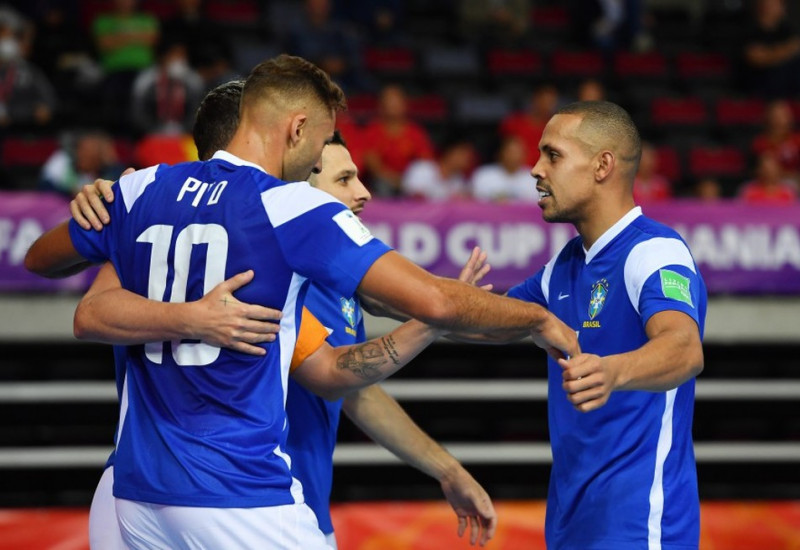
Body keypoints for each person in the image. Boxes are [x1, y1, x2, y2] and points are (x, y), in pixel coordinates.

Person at [24, 54, 579, 549]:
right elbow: (433, 301)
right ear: (297, 129)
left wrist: (95, 203)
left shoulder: (142, 189)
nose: (318, 162)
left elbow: (39, 260)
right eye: (323, 147)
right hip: (236, 493)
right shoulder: (292, 209)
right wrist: (538, 318)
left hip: (133, 497)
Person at [73, 119, 497, 548]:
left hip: (224, 500)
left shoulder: (331, 284)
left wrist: (446, 469)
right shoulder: (273, 279)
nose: (364, 192)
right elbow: (333, 373)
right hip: (243, 504)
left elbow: (359, 392)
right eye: (345, 179)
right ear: (301, 188)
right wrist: (448, 318)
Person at [453, 100, 707, 548]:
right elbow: (492, 323)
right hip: (572, 521)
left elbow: (685, 349)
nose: (535, 169)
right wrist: (450, 304)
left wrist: (613, 371)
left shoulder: (655, 251)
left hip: (638, 524)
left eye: (553, 155)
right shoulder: (564, 265)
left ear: (602, 166)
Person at [361, 83, 435, 197]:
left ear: (405, 104)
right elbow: (373, 165)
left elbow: (425, 163)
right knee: (382, 186)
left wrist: (408, 182)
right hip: (382, 183)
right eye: (389, 100)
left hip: (409, 182)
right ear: (381, 105)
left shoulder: (415, 132)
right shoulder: (373, 131)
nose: (393, 104)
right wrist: (394, 180)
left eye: (396, 100)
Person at [740, 0, 800, 99]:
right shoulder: (748, 31)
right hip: (759, 91)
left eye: (774, 5)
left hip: (791, 91)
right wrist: (789, 48)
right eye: (767, 5)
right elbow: (757, 58)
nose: (769, 8)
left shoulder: (788, 31)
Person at [401, 133, 476, 201]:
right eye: (463, 153)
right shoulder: (422, 169)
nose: (468, 158)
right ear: (449, 153)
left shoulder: (459, 180)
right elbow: (415, 199)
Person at [471, 134, 537, 203]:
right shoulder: (483, 175)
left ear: (525, 154)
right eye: (510, 151)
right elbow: (475, 203)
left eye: (517, 152)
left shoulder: (533, 178)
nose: (514, 156)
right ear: (501, 152)